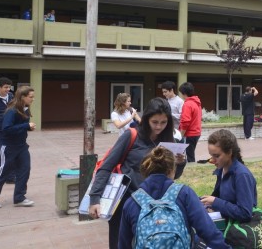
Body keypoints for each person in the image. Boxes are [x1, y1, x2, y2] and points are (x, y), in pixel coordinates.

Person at [88, 97, 184, 249]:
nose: (158, 127)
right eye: (155, 122)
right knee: (121, 243)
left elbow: (173, 176)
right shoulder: (131, 135)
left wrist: (179, 163)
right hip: (126, 203)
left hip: (154, 206)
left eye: (163, 122)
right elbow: (107, 166)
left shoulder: (170, 141)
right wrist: (94, 198)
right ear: (146, 120)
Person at [118, 147, 230, 249]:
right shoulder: (184, 194)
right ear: (172, 170)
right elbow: (208, 231)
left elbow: (124, 243)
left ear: (145, 171)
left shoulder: (132, 201)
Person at [200, 129, 257, 223]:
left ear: (229, 153)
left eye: (217, 156)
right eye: (211, 155)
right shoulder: (222, 169)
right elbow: (219, 198)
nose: (212, 160)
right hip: (225, 221)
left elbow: (245, 213)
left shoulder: (241, 175)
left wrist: (215, 202)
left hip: (238, 230)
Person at [0, 86, 36, 209]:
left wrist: (27, 127)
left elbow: (21, 126)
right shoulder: (12, 111)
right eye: (31, 97)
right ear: (22, 97)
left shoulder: (25, 109)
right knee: (3, 172)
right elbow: (6, 129)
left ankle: (19, 198)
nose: (33, 99)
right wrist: (25, 126)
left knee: (24, 170)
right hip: (8, 146)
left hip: (21, 146)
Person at [0, 77, 15, 184]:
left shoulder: (12, 97)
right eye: (5, 87)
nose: (8, 89)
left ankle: (10, 177)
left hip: (10, 130)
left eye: (9, 87)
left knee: (11, 152)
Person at [179, 82, 202, 162]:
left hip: (189, 134)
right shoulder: (197, 102)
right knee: (190, 154)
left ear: (184, 93)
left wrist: (181, 134)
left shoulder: (188, 104)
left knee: (189, 156)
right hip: (196, 132)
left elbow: (185, 121)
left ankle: (190, 168)